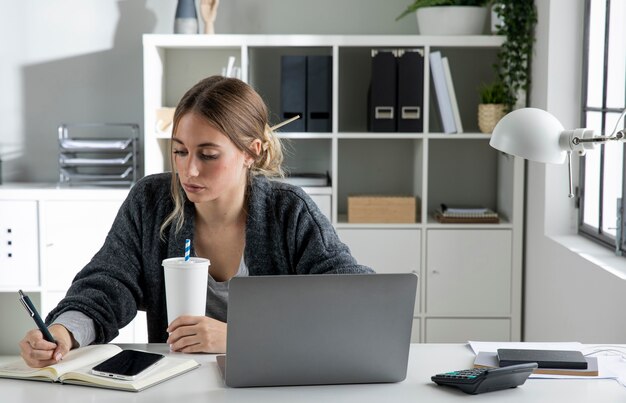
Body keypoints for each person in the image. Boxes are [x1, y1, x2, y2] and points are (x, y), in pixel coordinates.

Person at [20, 76, 373, 368]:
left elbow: (354, 303)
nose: (189, 170)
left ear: (252, 152)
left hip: (268, 387)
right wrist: (64, 332)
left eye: (208, 155)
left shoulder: (289, 212)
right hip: (175, 384)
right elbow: (109, 284)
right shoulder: (151, 201)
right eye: (180, 151)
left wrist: (239, 337)